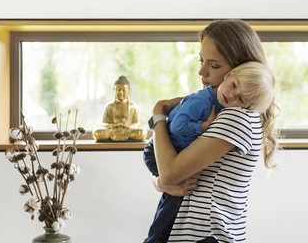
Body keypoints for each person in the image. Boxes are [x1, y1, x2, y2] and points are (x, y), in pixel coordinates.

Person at [146, 19, 281, 243]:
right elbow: (168, 177)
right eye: (201, 60)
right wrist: (159, 183)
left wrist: (157, 113)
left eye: (214, 65)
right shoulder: (219, 109)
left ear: (238, 68)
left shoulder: (236, 116)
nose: (201, 71)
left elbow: (170, 173)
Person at [93, 75, 147, 141]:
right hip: (112, 131)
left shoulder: (132, 107)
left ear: (129, 90)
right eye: (118, 90)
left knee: (142, 133)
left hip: (128, 131)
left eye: (123, 90)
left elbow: (137, 124)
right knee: (97, 133)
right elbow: (104, 124)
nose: (121, 92)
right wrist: (113, 126)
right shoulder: (109, 106)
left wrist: (128, 126)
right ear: (114, 89)